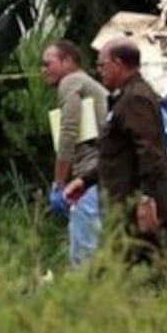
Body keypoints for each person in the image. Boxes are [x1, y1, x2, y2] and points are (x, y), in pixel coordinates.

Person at [68, 39, 167, 274]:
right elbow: (116, 155)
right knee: (155, 276)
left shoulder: (135, 99)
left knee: (143, 275)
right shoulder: (123, 98)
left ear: (118, 63)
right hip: (124, 209)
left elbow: (150, 152)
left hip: (137, 210)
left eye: (102, 65)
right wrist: (85, 180)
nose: (99, 71)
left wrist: (147, 199)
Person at [41, 39, 108, 268]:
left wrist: (58, 183)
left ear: (68, 61)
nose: (43, 70)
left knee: (84, 255)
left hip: (91, 173)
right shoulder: (90, 85)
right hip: (105, 173)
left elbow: (68, 131)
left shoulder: (71, 81)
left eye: (47, 63)